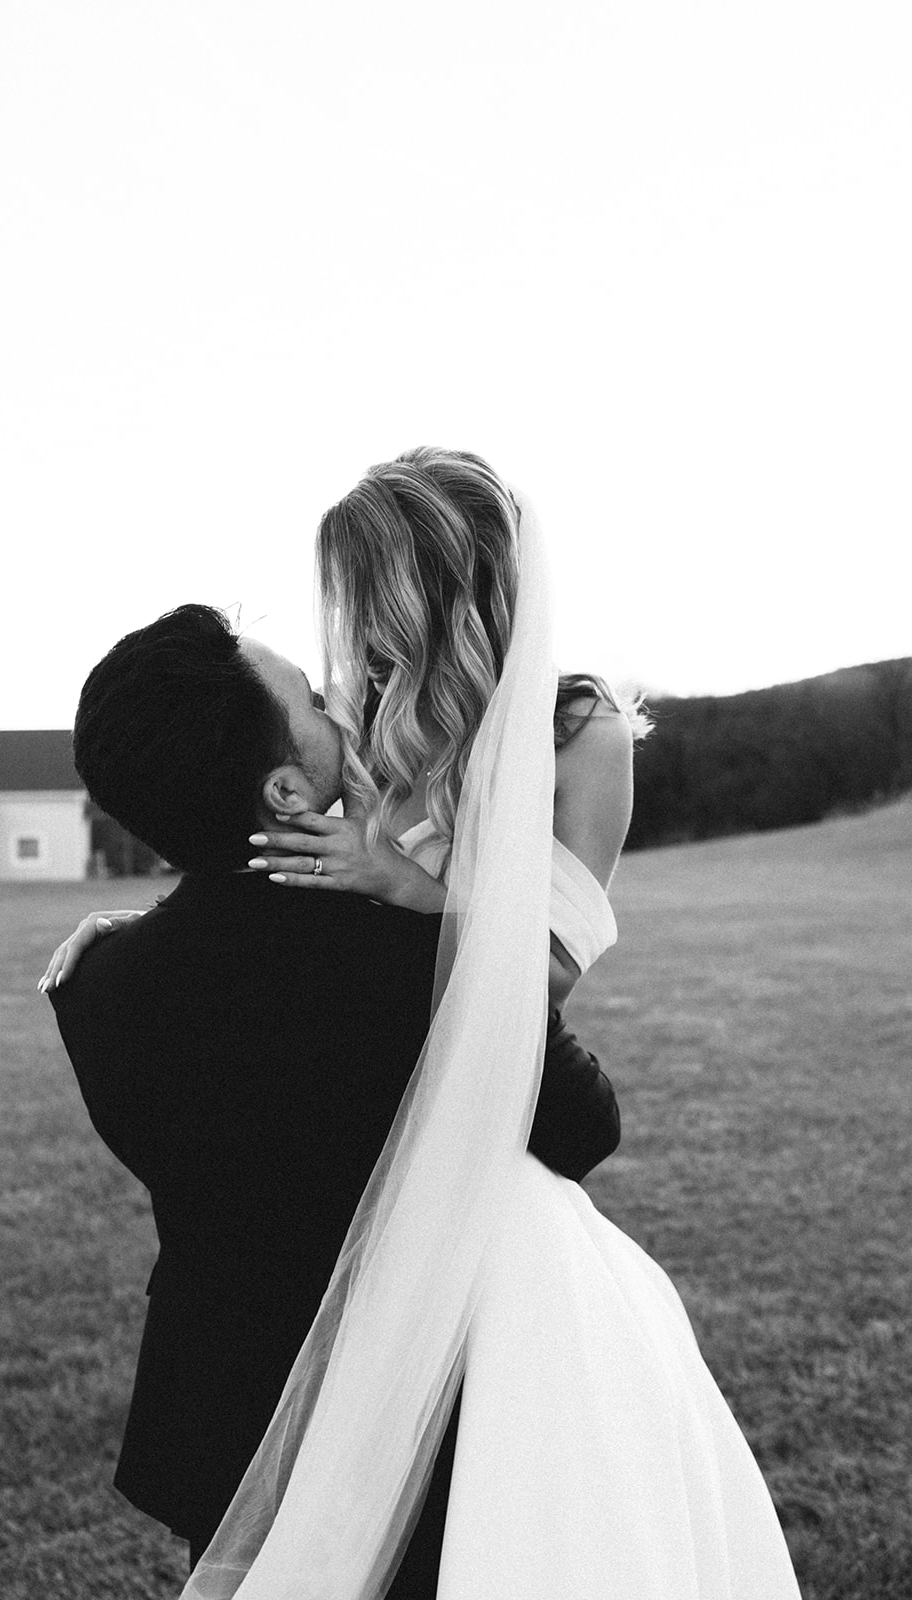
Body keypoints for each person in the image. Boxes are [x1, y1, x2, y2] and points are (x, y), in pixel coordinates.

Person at [46, 450, 801, 1599]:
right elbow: (563, 1107)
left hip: (309, 1318)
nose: (340, 678)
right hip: (430, 1224)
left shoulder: (571, 741)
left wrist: (405, 892)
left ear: (431, 593)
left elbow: (517, 981)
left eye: (357, 610)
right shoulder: (376, 764)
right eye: (315, 682)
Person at [46, 601, 624, 1595]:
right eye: (311, 703)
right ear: (283, 786)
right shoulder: (395, 960)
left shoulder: (90, 983)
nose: (339, 713)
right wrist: (442, 924)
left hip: (230, 1431)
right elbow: (583, 1124)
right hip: (420, 1432)